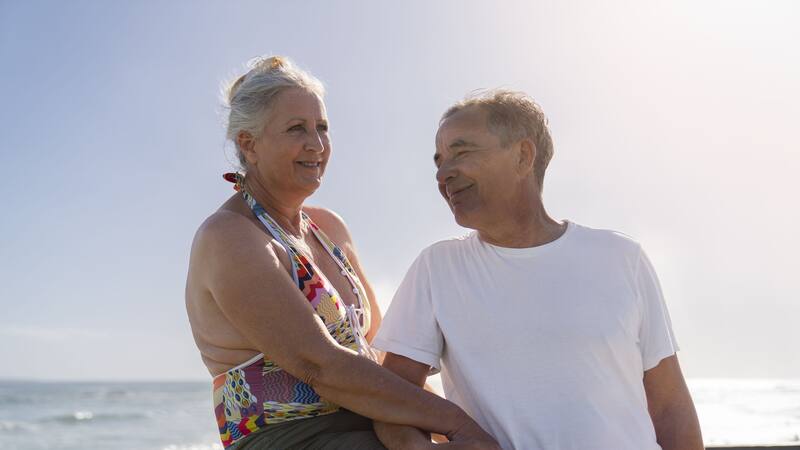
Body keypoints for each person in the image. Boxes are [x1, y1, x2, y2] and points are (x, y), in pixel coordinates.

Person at [185, 56, 498, 449]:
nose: (316, 144)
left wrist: (445, 425)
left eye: (322, 127)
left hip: (371, 423)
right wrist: (458, 423)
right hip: (293, 438)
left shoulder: (329, 228)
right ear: (249, 144)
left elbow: (381, 354)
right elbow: (318, 364)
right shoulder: (230, 237)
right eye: (297, 128)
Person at [372, 89, 705, 450]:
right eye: (439, 160)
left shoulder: (622, 257)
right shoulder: (436, 268)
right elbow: (393, 401)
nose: (444, 173)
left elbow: (671, 407)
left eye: (462, 152)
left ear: (523, 156)